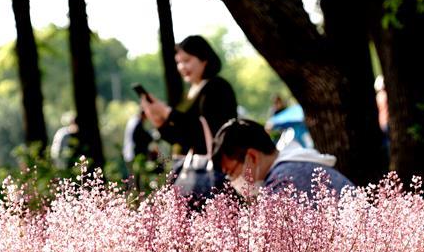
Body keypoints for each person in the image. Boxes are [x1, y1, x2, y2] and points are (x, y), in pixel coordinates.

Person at [139, 35, 238, 197]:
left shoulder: (217, 87)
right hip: (184, 167)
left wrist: (166, 111)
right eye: (178, 62)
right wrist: (159, 121)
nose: (181, 67)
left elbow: (207, 132)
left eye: (186, 60)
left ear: (204, 59)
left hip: (208, 168)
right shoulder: (190, 92)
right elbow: (181, 137)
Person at [212, 118, 353, 198]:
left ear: (252, 157)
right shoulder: (296, 165)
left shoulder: (282, 183)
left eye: (231, 173)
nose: (231, 182)